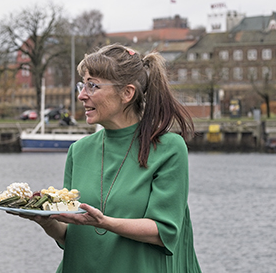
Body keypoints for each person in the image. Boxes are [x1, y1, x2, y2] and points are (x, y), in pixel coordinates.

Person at [19, 44, 202, 272]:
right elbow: (72, 236)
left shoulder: (168, 148)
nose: (81, 95)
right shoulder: (78, 150)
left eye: (92, 85)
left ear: (127, 93)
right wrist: (46, 220)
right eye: (82, 84)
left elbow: (163, 231)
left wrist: (105, 222)